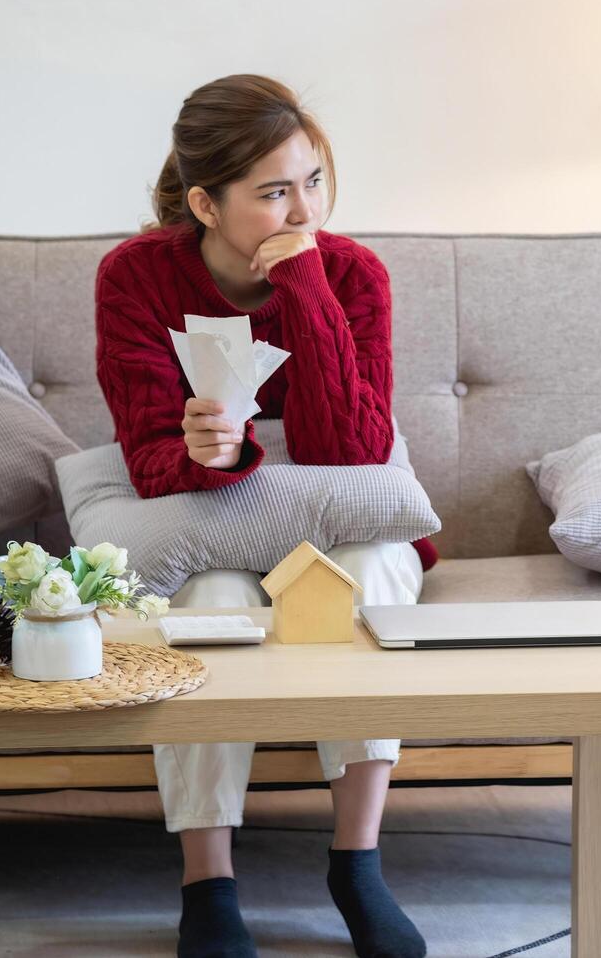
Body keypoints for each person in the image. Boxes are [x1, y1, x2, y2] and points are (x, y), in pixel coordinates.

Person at [93, 73, 435, 958]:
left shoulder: (352, 270)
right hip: (214, 506)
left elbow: (353, 452)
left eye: (313, 181)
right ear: (205, 202)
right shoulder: (135, 276)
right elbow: (143, 451)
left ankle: (357, 863)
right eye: (275, 192)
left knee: (368, 577)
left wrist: (309, 287)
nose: (303, 210)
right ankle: (209, 884)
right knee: (207, 593)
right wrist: (206, 449)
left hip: (338, 493)